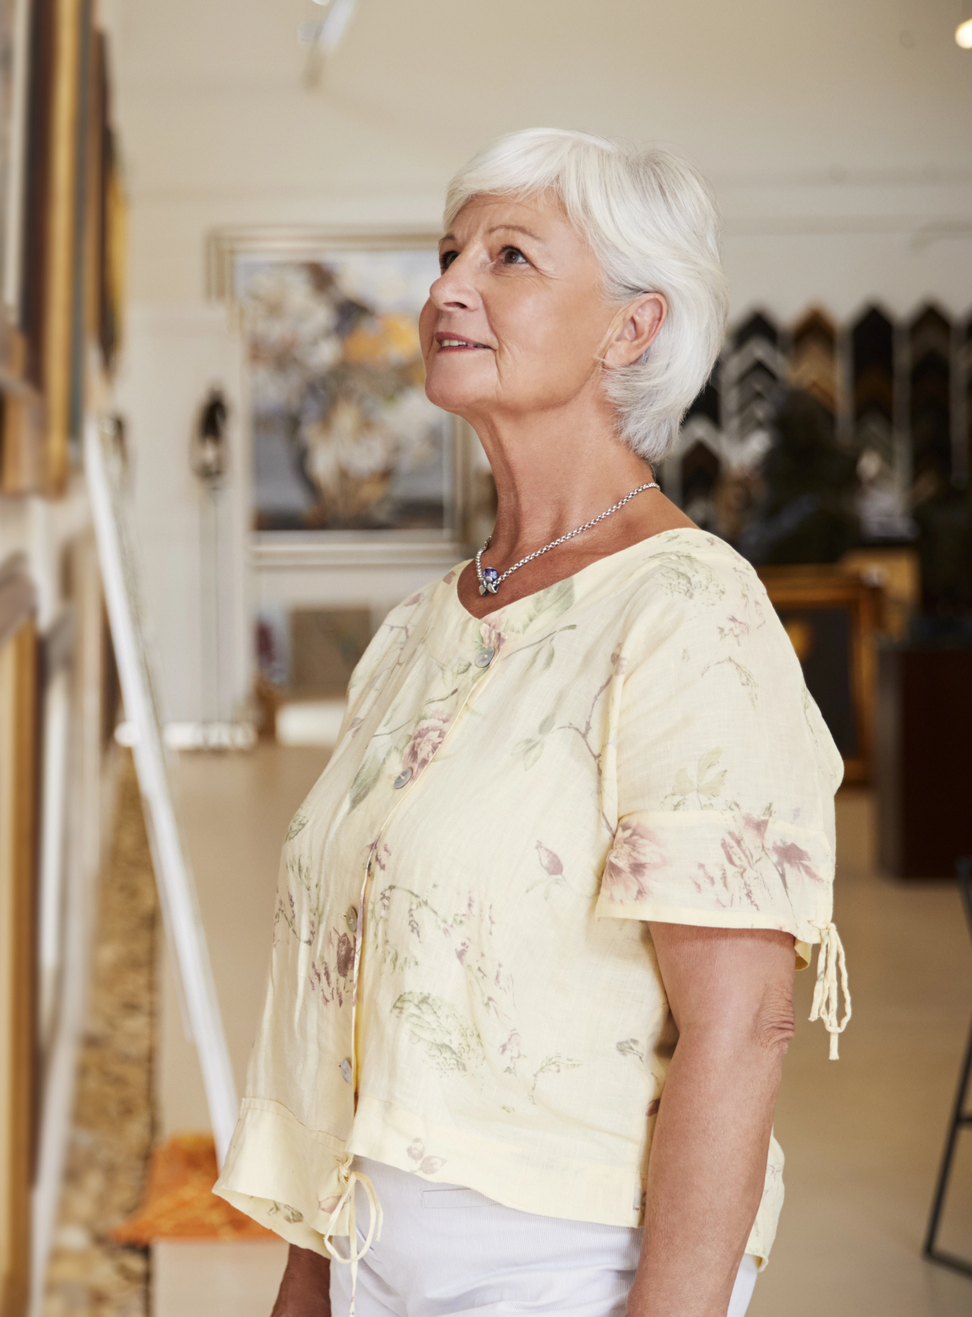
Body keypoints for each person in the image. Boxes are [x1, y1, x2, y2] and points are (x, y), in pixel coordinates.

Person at [215, 128, 851, 1317]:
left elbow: (742, 1022)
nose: (447, 285)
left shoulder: (684, 610)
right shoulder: (418, 629)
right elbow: (355, 1003)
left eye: (508, 255)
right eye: (447, 251)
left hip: (557, 1270)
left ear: (631, 326)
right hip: (366, 1255)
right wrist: (308, 1285)